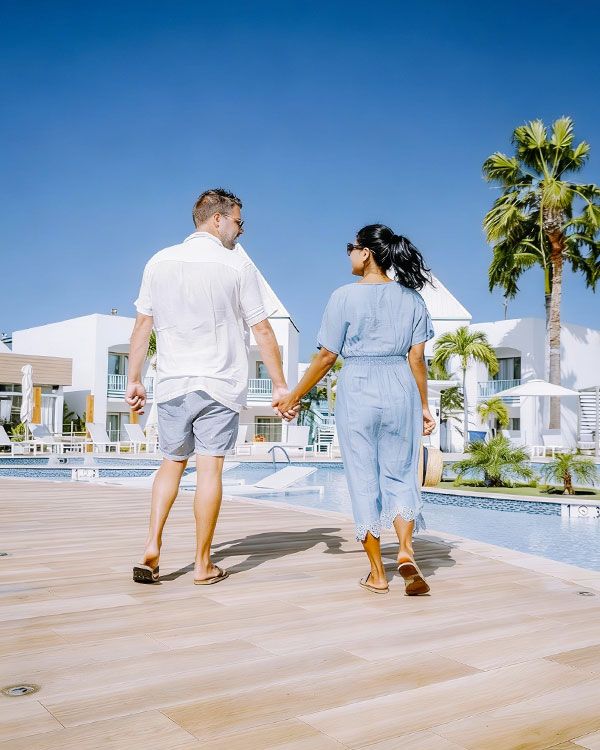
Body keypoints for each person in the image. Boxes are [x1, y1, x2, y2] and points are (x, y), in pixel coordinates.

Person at [127, 188, 294, 585]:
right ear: (217, 219)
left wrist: (134, 379)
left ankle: (151, 546)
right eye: (238, 221)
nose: (241, 230)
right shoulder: (237, 265)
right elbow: (262, 329)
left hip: (172, 383)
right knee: (209, 471)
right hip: (219, 383)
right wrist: (279, 385)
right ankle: (203, 564)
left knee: (171, 464)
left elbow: (143, 325)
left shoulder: (158, 261)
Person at [273, 225, 436, 595]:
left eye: (351, 247)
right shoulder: (412, 299)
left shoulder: (343, 297)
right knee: (401, 475)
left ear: (366, 253)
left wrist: (294, 396)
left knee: (363, 479)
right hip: (400, 387)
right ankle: (405, 551)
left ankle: (378, 574)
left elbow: (326, 357)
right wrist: (424, 405)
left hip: (358, 387)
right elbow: (417, 359)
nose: (348, 253)